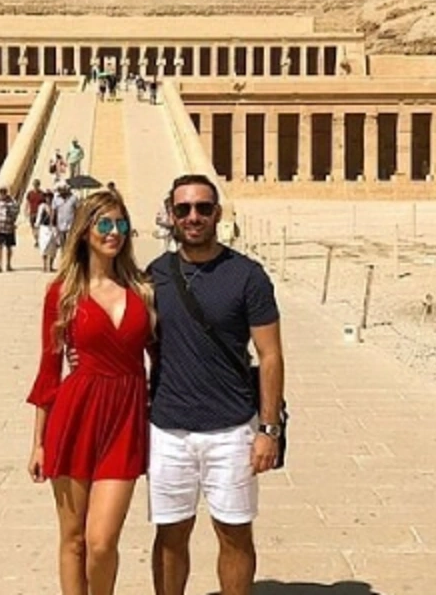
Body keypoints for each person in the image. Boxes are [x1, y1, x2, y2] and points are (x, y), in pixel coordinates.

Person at [146, 174, 285, 595]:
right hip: (169, 428)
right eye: (184, 209)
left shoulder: (247, 275)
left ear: (217, 214)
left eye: (203, 208)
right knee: (170, 534)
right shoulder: (155, 275)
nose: (193, 217)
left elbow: (271, 355)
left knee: (235, 533)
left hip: (231, 429)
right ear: (171, 215)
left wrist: (269, 429)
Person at [26, 190, 154, 595]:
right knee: (74, 539)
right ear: (84, 231)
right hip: (75, 415)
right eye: (104, 224)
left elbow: (163, 357)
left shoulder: (143, 289)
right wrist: (38, 443)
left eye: (121, 224)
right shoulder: (62, 292)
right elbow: (49, 369)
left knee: (102, 542)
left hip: (125, 419)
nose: (114, 232)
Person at [0, 186, 20, 273]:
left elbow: (16, 212)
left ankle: (8, 264)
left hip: (8, 227)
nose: (2, 194)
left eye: (4, 192)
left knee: (9, 247)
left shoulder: (12, 202)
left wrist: (12, 219)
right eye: (1, 192)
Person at [35, 190, 59, 272]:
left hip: (54, 228)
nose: (48, 198)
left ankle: (50, 266)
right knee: (44, 247)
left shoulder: (55, 207)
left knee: (53, 248)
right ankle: (45, 266)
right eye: (47, 197)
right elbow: (39, 217)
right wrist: (37, 228)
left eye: (49, 197)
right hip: (44, 228)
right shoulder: (42, 206)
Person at [52, 184, 78, 253]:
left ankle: (69, 253)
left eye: (63, 190)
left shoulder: (73, 198)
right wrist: (53, 222)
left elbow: (77, 210)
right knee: (62, 242)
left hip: (71, 224)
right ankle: (63, 253)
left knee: (70, 241)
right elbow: (54, 211)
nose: (61, 192)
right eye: (60, 191)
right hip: (60, 224)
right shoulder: (56, 199)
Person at [25, 178, 46, 247]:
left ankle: (38, 241)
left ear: (39, 185)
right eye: (35, 185)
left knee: (39, 227)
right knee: (33, 228)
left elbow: (45, 203)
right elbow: (27, 202)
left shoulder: (42, 194)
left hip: (39, 213)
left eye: (37, 185)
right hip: (32, 213)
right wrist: (26, 210)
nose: (36, 186)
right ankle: (36, 239)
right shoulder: (30, 193)